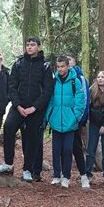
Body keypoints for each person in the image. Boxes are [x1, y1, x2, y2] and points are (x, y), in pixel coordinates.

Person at [0, 36, 53, 182]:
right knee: (9, 127)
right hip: (18, 106)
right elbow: (12, 86)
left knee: (31, 138)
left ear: (39, 47)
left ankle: (27, 170)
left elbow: (47, 90)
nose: (29, 47)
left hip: (35, 110)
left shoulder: (45, 66)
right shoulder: (19, 63)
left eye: (32, 45)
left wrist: (35, 107)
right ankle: (8, 163)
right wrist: (18, 105)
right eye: (27, 45)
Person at [44, 55, 86, 188]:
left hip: (70, 123)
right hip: (56, 121)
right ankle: (57, 175)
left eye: (63, 66)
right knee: (56, 150)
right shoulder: (54, 80)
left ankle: (66, 177)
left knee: (68, 150)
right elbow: (50, 100)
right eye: (58, 67)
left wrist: (75, 117)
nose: (60, 69)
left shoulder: (75, 82)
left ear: (68, 66)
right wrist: (49, 116)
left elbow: (80, 101)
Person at [68, 56, 91, 189]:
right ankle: (62, 175)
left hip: (75, 121)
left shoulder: (80, 78)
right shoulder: (58, 78)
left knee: (77, 147)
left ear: (74, 62)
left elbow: (84, 101)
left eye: (70, 60)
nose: (68, 62)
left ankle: (84, 175)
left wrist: (79, 120)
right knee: (62, 149)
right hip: (62, 121)